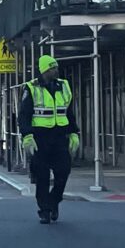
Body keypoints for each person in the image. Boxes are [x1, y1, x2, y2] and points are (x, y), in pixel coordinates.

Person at [19, 54, 79, 224]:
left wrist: (74, 133)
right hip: (40, 138)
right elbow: (24, 115)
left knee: (64, 171)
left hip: (60, 136)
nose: (56, 70)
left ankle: (54, 201)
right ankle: (44, 211)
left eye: (56, 67)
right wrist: (27, 136)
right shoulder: (31, 88)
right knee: (42, 176)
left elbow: (68, 112)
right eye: (53, 68)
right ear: (45, 70)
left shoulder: (64, 86)